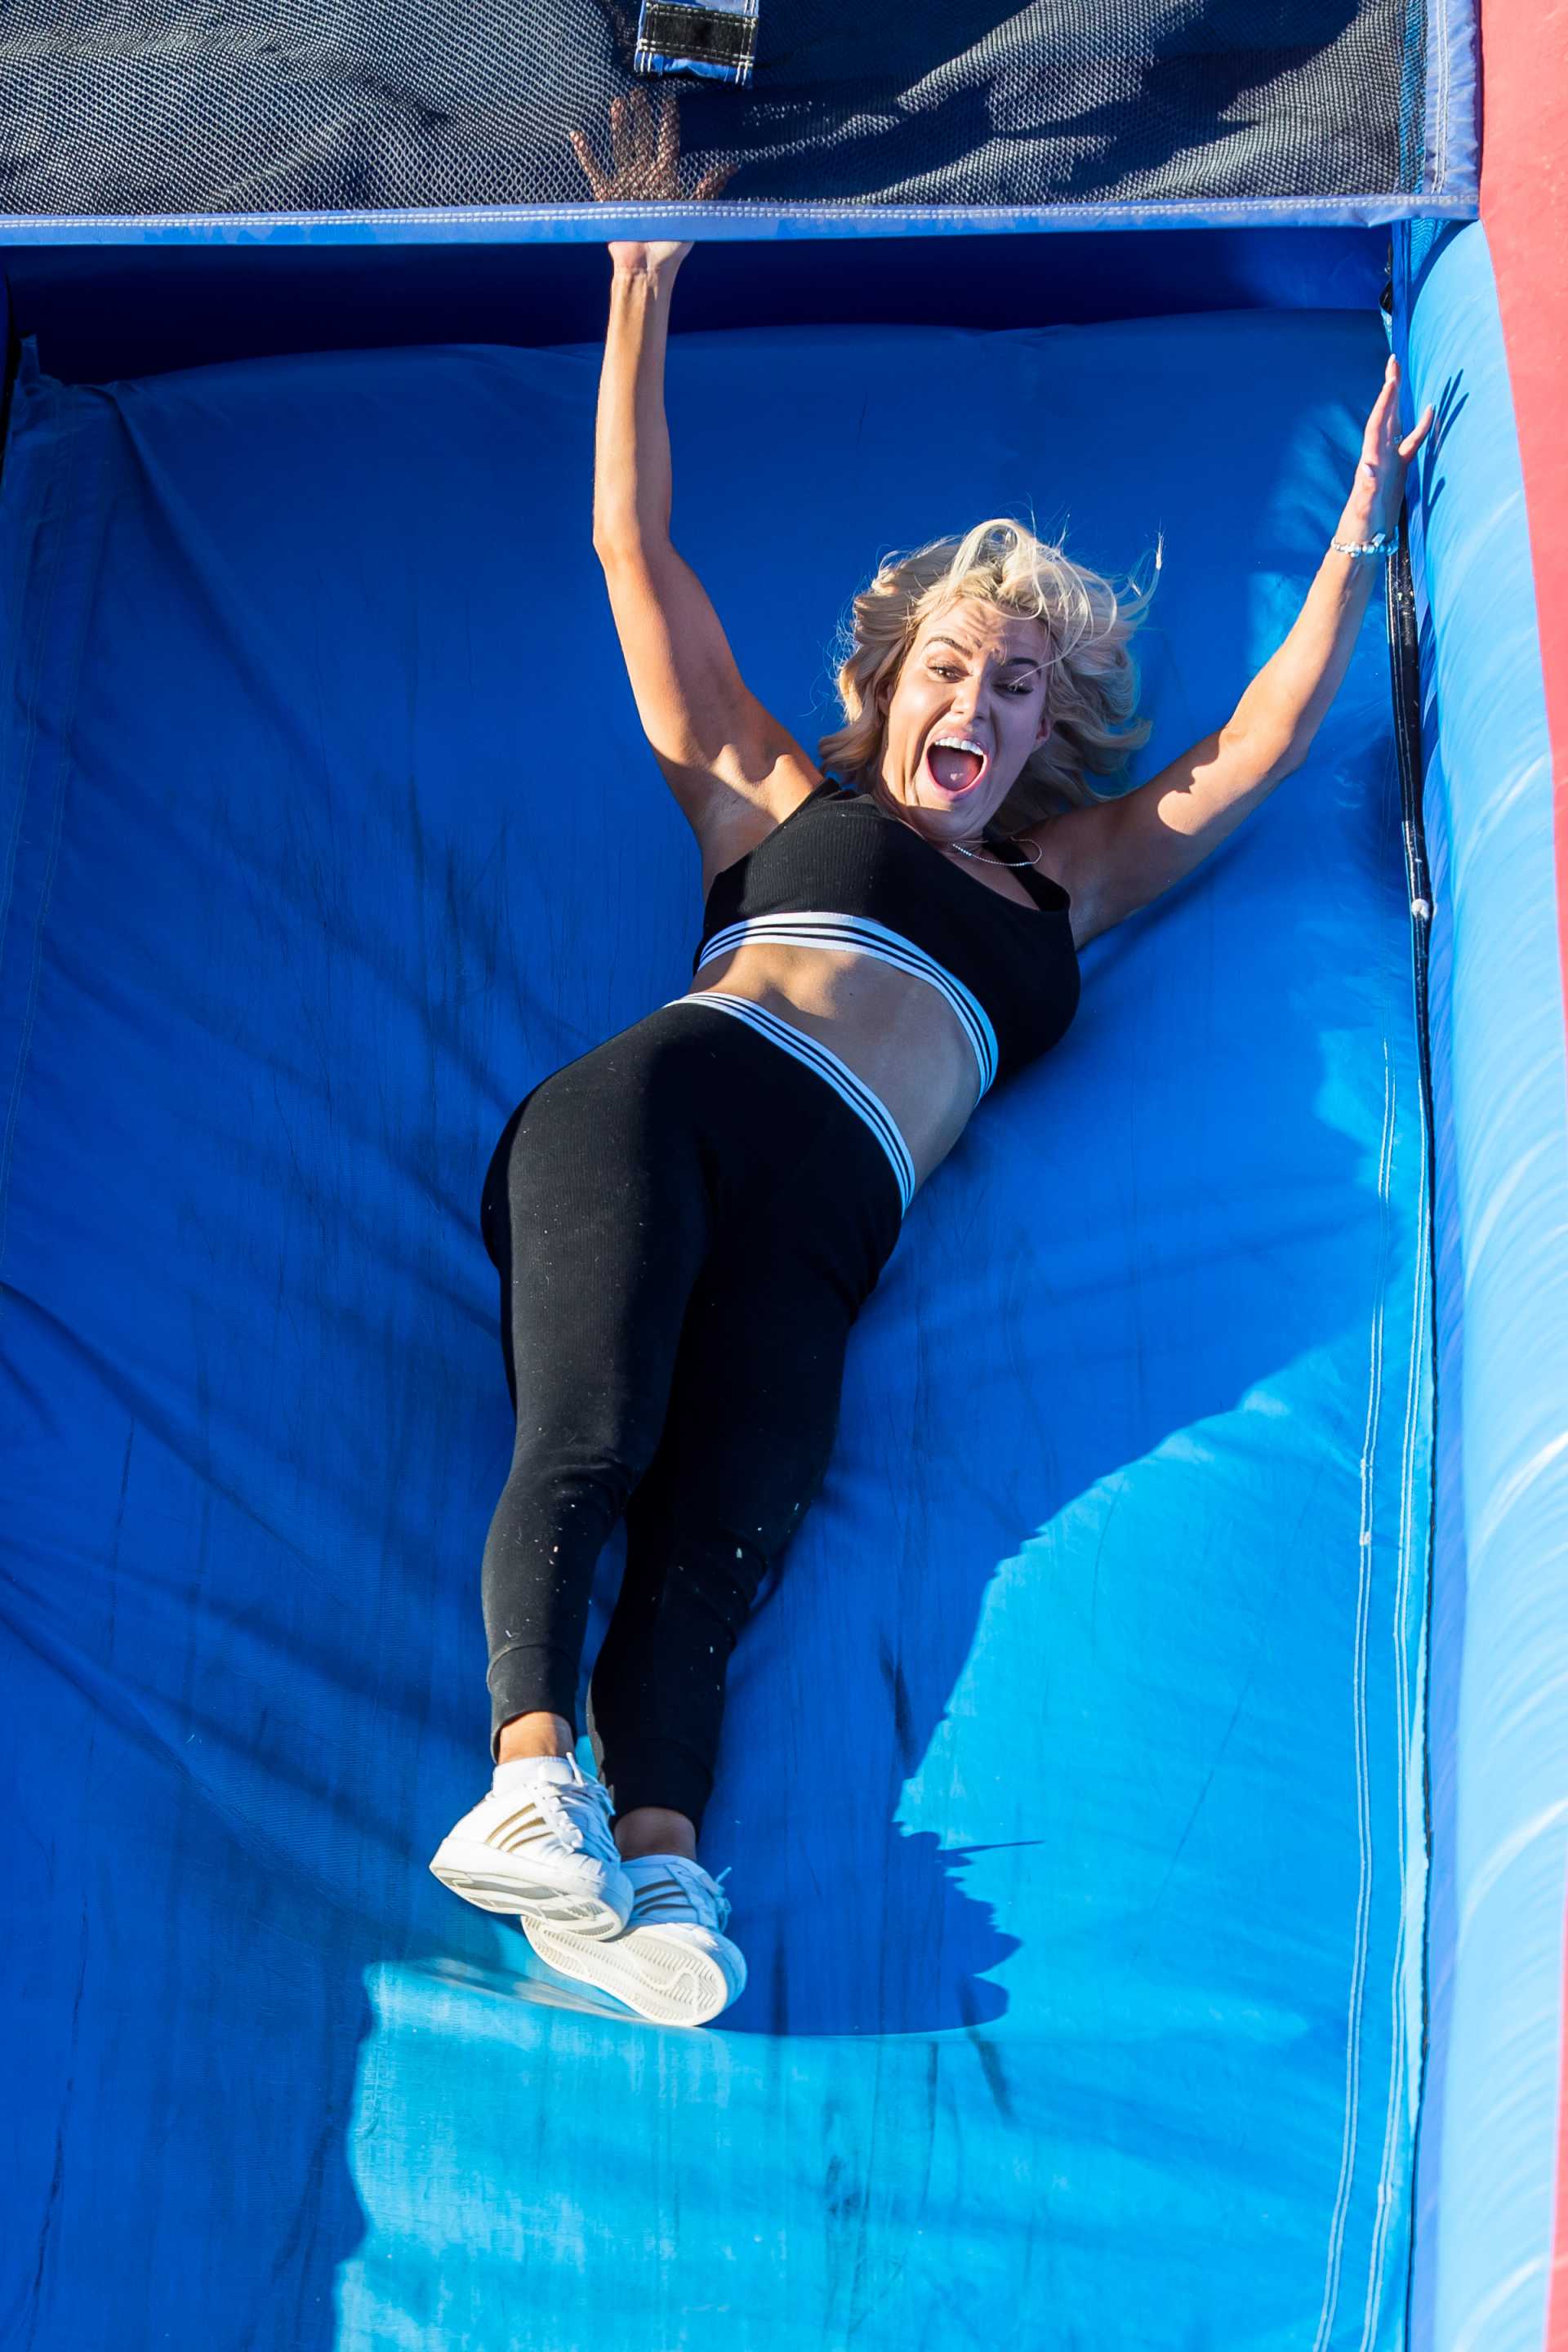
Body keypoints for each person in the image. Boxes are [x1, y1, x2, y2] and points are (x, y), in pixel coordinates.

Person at [430, 222, 1432, 2029]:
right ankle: (527, 1785)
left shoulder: (1060, 890)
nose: (977, 702)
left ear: (1050, 731)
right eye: (951, 667)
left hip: (829, 1232)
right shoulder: (773, 800)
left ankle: (651, 1864)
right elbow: (634, 554)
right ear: (891, 686)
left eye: (1018, 684)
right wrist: (640, 285)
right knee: (593, 1439)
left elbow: (1253, 754)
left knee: (729, 1535)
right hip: (661, 1109)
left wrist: (1362, 531)